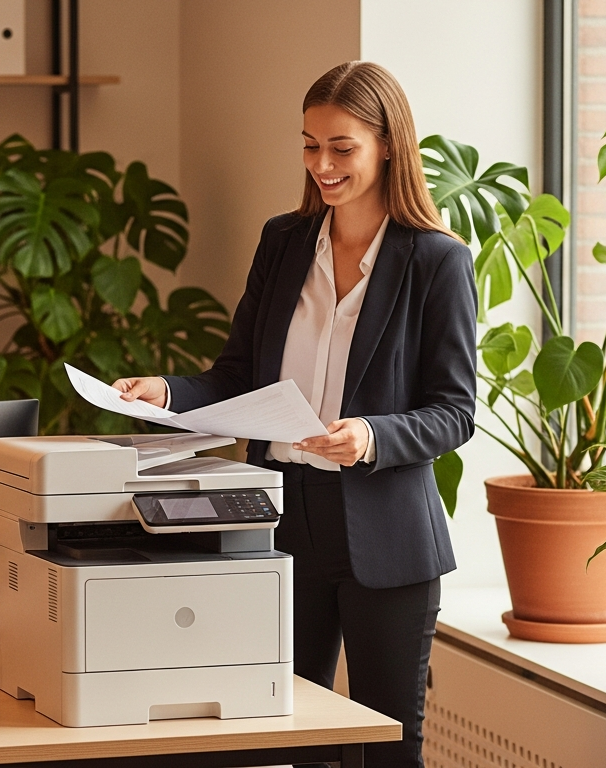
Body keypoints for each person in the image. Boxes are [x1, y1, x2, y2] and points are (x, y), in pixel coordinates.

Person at [113, 62, 476, 768]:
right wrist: (166, 391)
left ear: (388, 146)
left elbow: (455, 412)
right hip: (282, 516)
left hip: (387, 536)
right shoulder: (284, 242)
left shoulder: (437, 261)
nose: (322, 165)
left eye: (342, 148)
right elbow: (239, 378)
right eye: (310, 146)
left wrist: (371, 435)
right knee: (293, 738)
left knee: (387, 747)